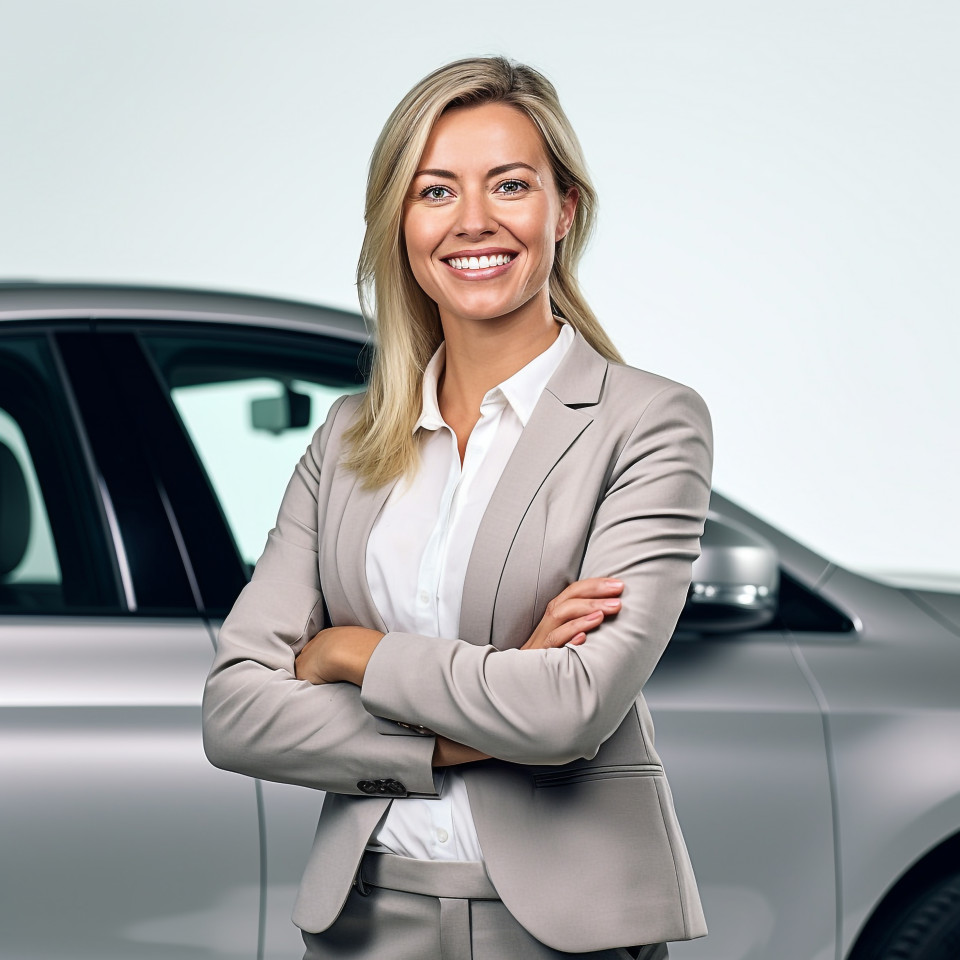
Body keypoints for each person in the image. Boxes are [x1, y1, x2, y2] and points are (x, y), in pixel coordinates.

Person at [203, 56, 712, 960]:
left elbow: (571, 710)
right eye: (435, 191)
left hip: (565, 930)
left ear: (564, 210)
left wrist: (352, 653)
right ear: (400, 223)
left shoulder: (648, 422)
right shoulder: (349, 438)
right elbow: (236, 712)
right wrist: (468, 729)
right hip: (364, 919)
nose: (473, 221)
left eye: (509, 185)